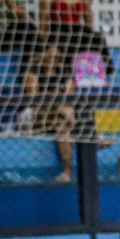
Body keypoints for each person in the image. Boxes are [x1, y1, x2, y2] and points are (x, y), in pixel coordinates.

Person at [23, 42, 76, 183]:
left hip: (59, 117)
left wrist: (56, 100)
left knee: (62, 127)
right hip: (39, 117)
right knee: (64, 112)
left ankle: (66, 173)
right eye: (49, 56)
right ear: (43, 55)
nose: (52, 60)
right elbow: (34, 100)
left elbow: (70, 97)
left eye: (56, 57)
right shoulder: (33, 72)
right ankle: (86, 137)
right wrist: (55, 100)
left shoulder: (65, 73)